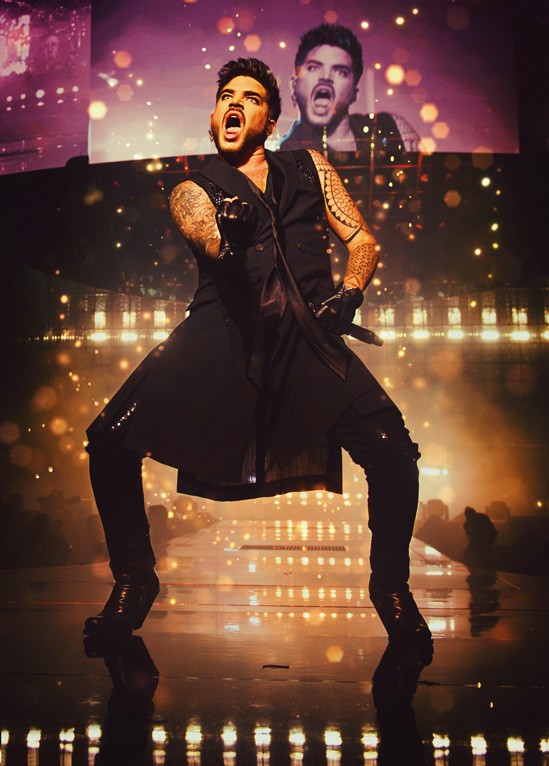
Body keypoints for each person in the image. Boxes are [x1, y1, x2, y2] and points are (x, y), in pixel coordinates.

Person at [83, 57, 431, 654]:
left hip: (307, 336)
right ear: (214, 116)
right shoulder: (194, 189)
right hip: (223, 332)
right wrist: (229, 238)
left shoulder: (311, 167)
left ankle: (391, 589)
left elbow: (362, 240)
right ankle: (135, 580)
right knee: (109, 440)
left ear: (269, 121)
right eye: (226, 96)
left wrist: (349, 293)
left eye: (250, 97)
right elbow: (208, 239)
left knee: (394, 453)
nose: (234, 104)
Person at [277, 23, 410, 159]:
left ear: (355, 93)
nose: (326, 77)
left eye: (341, 72)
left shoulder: (389, 127)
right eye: (313, 68)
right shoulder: (286, 157)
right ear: (294, 86)